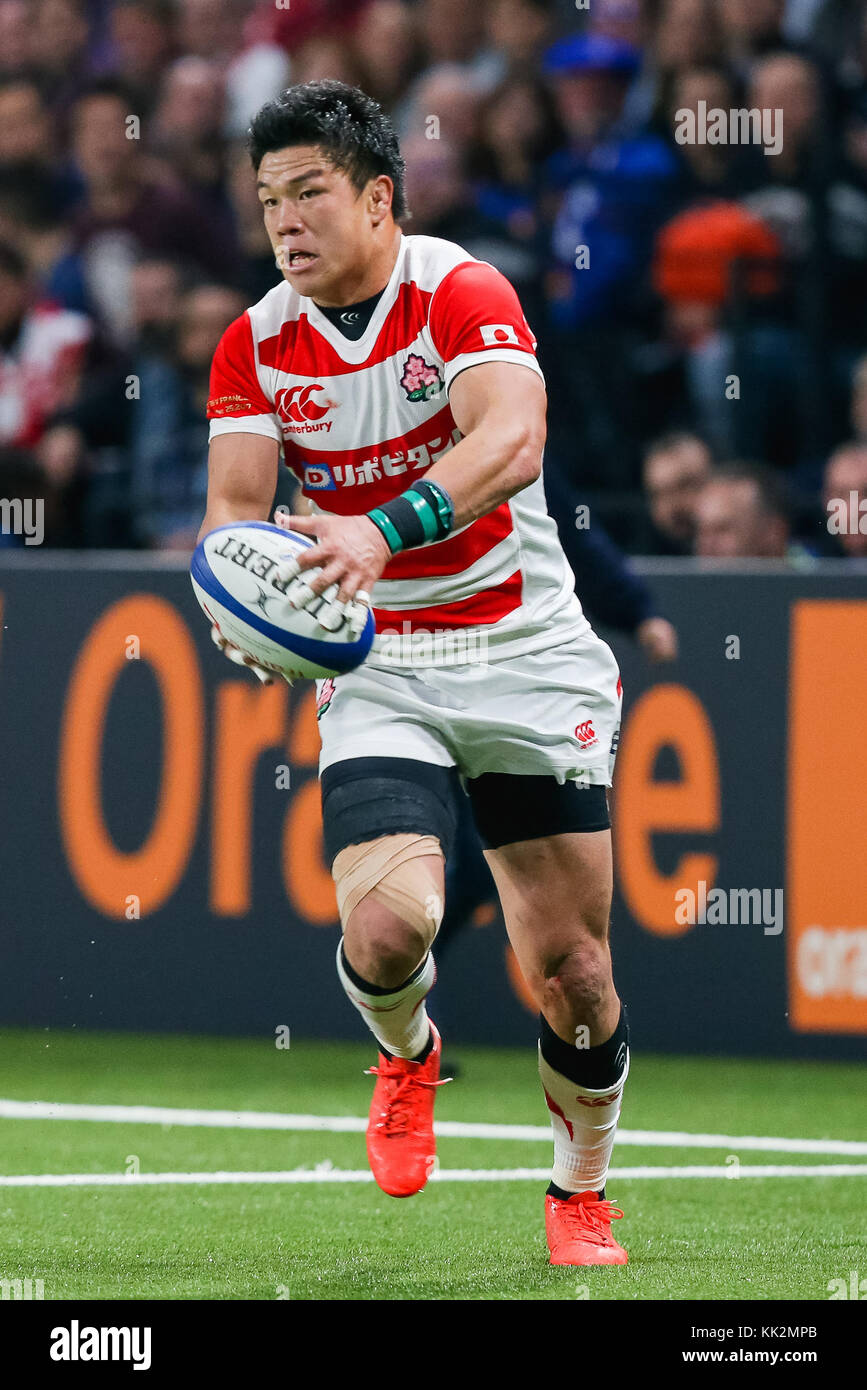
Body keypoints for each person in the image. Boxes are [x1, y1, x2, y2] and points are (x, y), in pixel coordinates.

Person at [198, 81, 631, 1267]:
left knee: (575, 972)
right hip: (383, 658)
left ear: (380, 197)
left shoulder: (459, 291)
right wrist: (238, 599)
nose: (286, 222)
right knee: (390, 931)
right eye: (268, 201)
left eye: (309, 193)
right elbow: (234, 511)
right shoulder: (254, 342)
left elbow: (513, 440)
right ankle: (408, 1055)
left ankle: (580, 1193)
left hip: (526, 652)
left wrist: (379, 531)